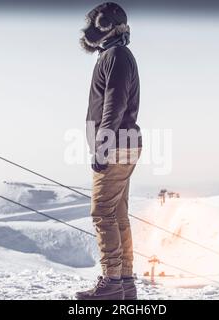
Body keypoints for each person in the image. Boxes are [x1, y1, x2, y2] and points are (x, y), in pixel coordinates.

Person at [76, 2, 142, 300]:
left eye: (94, 22)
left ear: (105, 25)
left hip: (116, 144)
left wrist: (102, 146)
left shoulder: (115, 56)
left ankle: (112, 282)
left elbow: (114, 104)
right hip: (124, 142)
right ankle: (125, 282)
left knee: (102, 212)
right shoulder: (116, 55)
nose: (89, 28)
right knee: (117, 213)